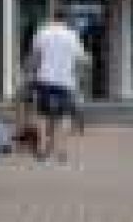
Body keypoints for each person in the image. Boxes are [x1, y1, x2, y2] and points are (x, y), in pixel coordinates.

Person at [26, 9, 88, 161]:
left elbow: (35, 57)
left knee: (41, 114)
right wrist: (80, 80)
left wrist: (30, 75)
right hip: (66, 82)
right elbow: (81, 60)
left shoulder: (42, 32)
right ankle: (62, 150)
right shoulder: (72, 36)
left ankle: (41, 148)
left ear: (52, 18)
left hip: (45, 79)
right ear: (65, 19)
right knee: (64, 116)